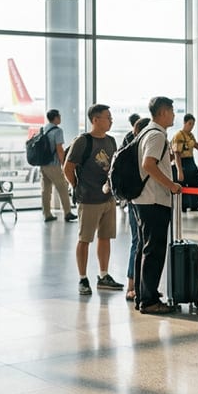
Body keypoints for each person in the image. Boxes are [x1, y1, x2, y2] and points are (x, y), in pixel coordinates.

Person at [65, 103, 121, 296]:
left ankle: (103, 275)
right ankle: (82, 278)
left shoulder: (112, 141)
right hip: (88, 199)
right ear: (95, 120)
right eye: (108, 117)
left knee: (105, 237)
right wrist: (77, 187)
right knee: (85, 239)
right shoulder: (82, 141)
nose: (111, 120)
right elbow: (68, 168)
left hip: (107, 198)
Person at [133, 96, 182, 315]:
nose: (174, 115)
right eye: (172, 111)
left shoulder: (146, 132)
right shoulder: (156, 136)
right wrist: (171, 185)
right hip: (153, 199)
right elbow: (148, 164)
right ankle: (149, 300)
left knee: (144, 249)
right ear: (163, 112)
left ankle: (142, 293)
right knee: (153, 251)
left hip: (144, 199)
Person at [124, 117, 151, 302]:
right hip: (140, 200)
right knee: (139, 242)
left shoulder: (130, 146)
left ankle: (135, 286)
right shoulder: (140, 149)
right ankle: (133, 286)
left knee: (138, 242)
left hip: (134, 200)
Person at [40, 109, 77, 222]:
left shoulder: (43, 129)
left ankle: (47, 214)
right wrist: (63, 163)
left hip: (43, 164)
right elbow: (59, 149)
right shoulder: (58, 131)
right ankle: (67, 212)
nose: (60, 118)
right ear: (55, 118)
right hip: (53, 165)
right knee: (63, 188)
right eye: (59, 116)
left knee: (46, 190)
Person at [171, 113, 198, 212]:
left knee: (194, 182)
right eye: (190, 123)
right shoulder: (178, 135)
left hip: (191, 160)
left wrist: (193, 143)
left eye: (193, 124)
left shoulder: (191, 135)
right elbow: (176, 154)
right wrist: (179, 170)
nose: (191, 126)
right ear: (184, 123)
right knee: (182, 184)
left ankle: (195, 205)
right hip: (181, 161)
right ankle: (182, 206)